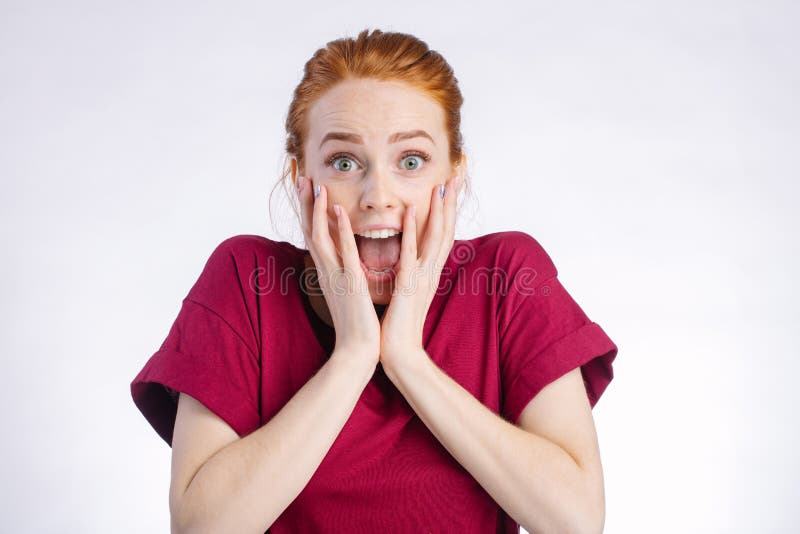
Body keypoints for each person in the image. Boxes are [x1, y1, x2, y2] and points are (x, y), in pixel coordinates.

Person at [130, 28, 618, 533]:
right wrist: (355, 354)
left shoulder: (507, 277)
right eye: (344, 162)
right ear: (300, 178)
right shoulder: (245, 280)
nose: (377, 196)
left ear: (454, 177)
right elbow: (201, 528)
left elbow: (576, 521)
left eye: (411, 161)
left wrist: (406, 357)